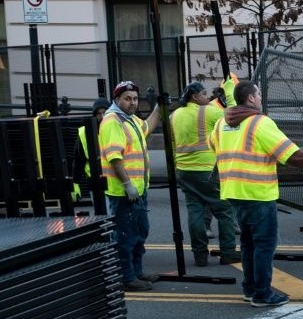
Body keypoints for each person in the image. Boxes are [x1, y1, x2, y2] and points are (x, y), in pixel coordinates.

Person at [208, 81, 303, 307]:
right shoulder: (260, 123)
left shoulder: (221, 123)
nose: (261, 97)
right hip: (258, 193)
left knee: (247, 244)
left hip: (233, 192)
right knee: (264, 245)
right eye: (258, 93)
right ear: (251, 99)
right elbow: (288, 152)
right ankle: (262, 294)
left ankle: (250, 288)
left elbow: (212, 145)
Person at [169, 80, 241, 267]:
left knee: (195, 212)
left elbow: (172, 144)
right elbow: (234, 115)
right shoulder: (209, 111)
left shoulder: (175, 115)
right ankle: (228, 252)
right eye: (203, 94)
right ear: (194, 96)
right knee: (224, 211)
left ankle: (200, 255)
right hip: (206, 170)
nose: (208, 97)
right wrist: (230, 92)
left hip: (184, 171)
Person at [99, 80, 162, 291]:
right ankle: (127, 277)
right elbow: (114, 158)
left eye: (135, 98)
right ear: (117, 99)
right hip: (123, 192)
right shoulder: (112, 121)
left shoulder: (130, 120)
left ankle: (137, 272)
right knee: (126, 237)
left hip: (138, 191)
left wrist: (158, 108)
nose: (132, 103)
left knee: (140, 233)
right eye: (127, 99)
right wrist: (127, 184)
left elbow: (148, 127)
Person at [72, 97, 110, 203]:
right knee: (102, 214)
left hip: (115, 180)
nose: (102, 116)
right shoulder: (85, 133)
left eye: (105, 112)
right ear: (94, 115)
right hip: (95, 180)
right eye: (99, 113)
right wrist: (75, 182)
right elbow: (79, 159)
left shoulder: (116, 128)